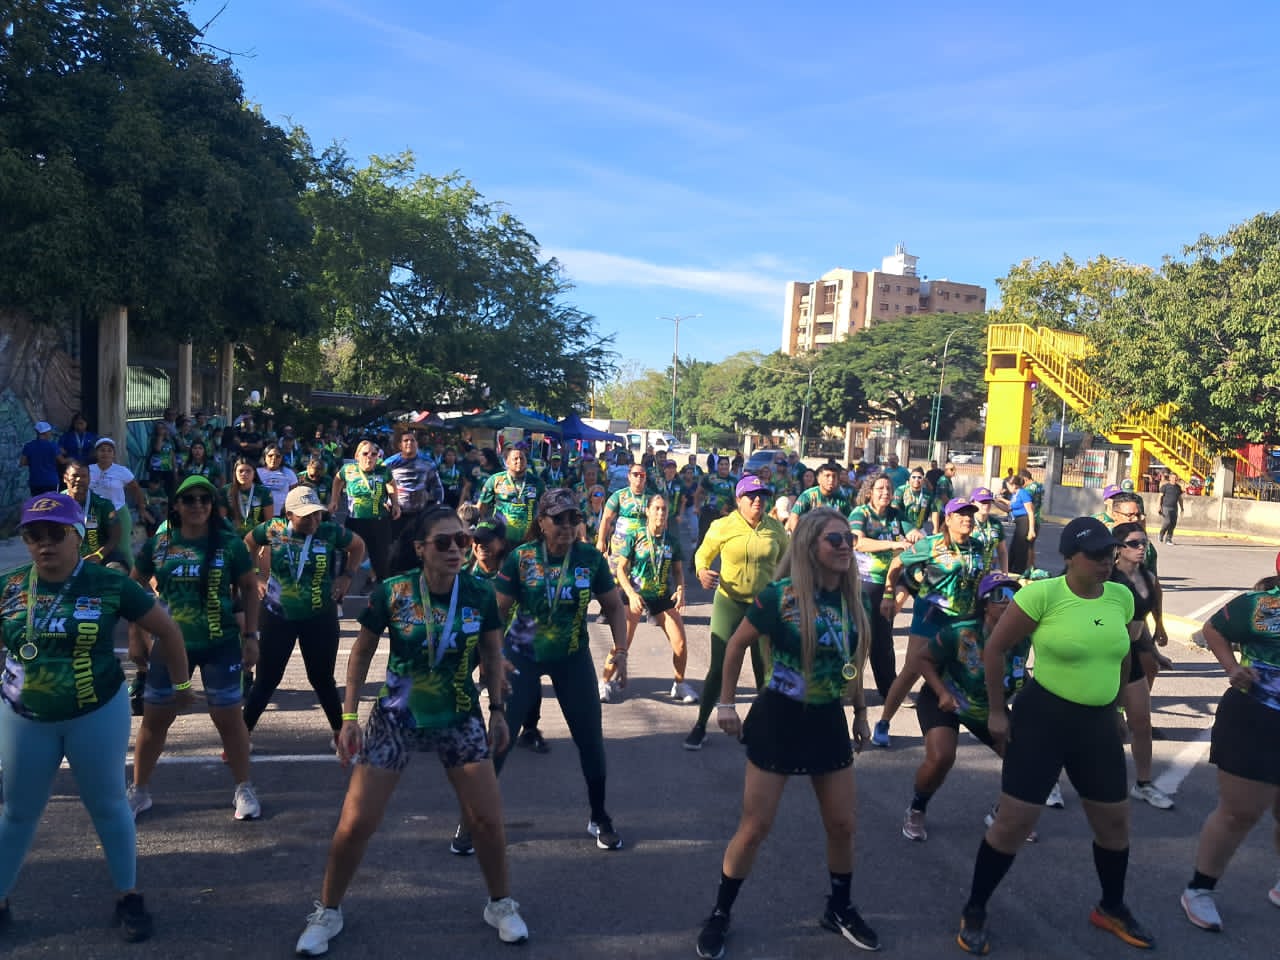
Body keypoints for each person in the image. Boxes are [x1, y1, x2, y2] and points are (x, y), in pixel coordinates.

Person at [294, 505, 528, 956]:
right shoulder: (394, 592)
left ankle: (500, 904)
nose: (457, 549)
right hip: (396, 718)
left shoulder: (479, 592)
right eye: (444, 542)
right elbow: (360, 654)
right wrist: (347, 718)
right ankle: (327, 910)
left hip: (459, 717)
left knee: (487, 821)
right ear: (420, 548)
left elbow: (493, 653)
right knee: (355, 823)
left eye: (462, 540)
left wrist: (497, 709)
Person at [955, 517, 1153, 955]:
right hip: (1043, 718)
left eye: (1110, 554)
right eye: (1096, 556)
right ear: (1069, 558)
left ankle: (1111, 906)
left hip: (1097, 723)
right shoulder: (1042, 595)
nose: (1106, 563)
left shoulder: (1119, 597)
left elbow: (1121, 655)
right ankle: (975, 907)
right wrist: (995, 712)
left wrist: (1118, 706)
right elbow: (995, 648)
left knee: (1114, 823)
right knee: (1013, 824)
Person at [0, 493, 192, 942]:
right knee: (18, 812)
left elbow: (167, 630)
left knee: (108, 806)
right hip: (24, 716)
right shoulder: (9, 587)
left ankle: (129, 897)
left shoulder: (110, 584)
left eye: (56, 534)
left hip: (95, 711)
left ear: (78, 536)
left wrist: (181, 688)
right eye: (34, 536)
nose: (44, 544)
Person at [694, 508, 877, 958]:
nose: (845, 546)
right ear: (810, 546)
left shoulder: (854, 600)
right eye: (834, 540)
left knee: (842, 824)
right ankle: (720, 912)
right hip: (780, 716)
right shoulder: (780, 596)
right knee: (755, 827)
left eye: (849, 539)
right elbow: (735, 645)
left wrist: (858, 711)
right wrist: (726, 704)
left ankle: (839, 907)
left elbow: (853, 663)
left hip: (827, 718)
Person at [465, 488, 628, 854]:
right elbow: (497, 613)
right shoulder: (521, 559)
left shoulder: (589, 558)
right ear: (541, 523)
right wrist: (492, 660)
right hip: (521, 653)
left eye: (574, 518)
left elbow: (614, 607)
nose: (568, 526)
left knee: (590, 739)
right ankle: (475, 818)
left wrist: (621, 650)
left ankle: (599, 816)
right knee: (501, 738)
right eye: (559, 519)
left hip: (571, 656)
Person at [128, 475, 263, 821]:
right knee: (156, 720)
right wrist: (136, 634)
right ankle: (139, 791)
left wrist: (251, 637)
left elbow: (249, 588)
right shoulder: (159, 545)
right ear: (176, 505)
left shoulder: (229, 544)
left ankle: (243, 788)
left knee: (230, 720)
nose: (198, 505)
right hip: (169, 647)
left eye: (205, 499)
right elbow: (132, 587)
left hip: (221, 644)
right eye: (190, 499)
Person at [1179, 564, 1280, 933]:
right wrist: (1231, 667)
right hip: (1257, 715)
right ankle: (1199, 890)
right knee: (1240, 812)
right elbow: (1213, 629)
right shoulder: (1263, 606)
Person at [901, 574, 1030, 842]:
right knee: (941, 757)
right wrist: (942, 692)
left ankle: (1001, 813)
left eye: (1013, 596)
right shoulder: (961, 630)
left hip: (987, 706)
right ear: (984, 604)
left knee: (1023, 760)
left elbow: (1019, 673)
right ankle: (917, 808)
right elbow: (922, 659)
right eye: (999, 596)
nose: (1008, 602)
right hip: (946, 699)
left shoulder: (1023, 635)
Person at [242, 486, 365, 745]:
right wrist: (256, 575)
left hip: (320, 614)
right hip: (277, 614)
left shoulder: (330, 532)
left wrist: (347, 576)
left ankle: (338, 734)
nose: (313, 521)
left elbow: (358, 546)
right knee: (267, 679)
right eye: (306, 516)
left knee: (322, 678)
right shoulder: (274, 529)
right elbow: (249, 542)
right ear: (289, 515)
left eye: (317, 515)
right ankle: (240, 736)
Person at [874, 498, 991, 748]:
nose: (967, 518)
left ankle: (967, 718)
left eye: (970, 513)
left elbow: (980, 580)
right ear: (947, 519)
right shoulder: (932, 544)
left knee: (965, 671)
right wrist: (887, 594)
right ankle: (883, 721)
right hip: (931, 614)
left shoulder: (979, 547)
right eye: (960, 514)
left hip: (963, 620)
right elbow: (896, 564)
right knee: (912, 671)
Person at [686, 475, 789, 750]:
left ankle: (765, 727)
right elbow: (702, 555)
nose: (758, 500)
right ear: (738, 499)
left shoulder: (775, 529)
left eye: (763, 496)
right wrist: (701, 572)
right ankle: (700, 725)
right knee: (718, 668)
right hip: (729, 602)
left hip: (763, 607)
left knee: (765, 669)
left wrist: (785, 594)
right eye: (752, 496)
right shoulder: (723, 525)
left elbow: (787, 564)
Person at [606, 493, 697, 705]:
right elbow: (620, 569)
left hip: (661, 597)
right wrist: (630, 593)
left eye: (664, 509)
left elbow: (677, 571)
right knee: (622, 643)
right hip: (635, 595)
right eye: (656, 508)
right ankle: (605, 682)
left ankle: (680, 684)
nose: (661, 513)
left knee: (680, 644)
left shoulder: (671, 541)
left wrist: (681, 589)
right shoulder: (635, 536)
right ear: (647, 511)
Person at [1110, 522, 1174, 810]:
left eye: (1144, 543)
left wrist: (1152, 651)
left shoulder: (1147, 578)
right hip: (1103, 654)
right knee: (1079, 723)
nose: (1141, 548)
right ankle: (1049, 784)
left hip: (1131, 653)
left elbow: (1138, 623)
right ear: (1118, 549)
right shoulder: (1107, 578)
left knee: (1142, 722)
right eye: (1134, 543)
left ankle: (1144, 784)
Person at [849, 473, 923, 699]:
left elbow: (913, 532)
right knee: (856, 638)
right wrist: (893, 543)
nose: (885, 492)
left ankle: (890, 690)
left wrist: (917, 536)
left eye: (889, 489)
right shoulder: (860, 513)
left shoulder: (895, 514)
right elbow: (858, 542)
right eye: (880, 488)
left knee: (883, 640)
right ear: (869, 491)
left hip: (888, 583)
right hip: (863, 583)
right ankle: (847, 687)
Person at [330, 439, 399, 583]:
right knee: (346, 561)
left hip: (379, 523)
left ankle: (381, 596)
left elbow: (391, 484)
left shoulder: (383, 470)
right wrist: (334, 500)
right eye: (365, 453)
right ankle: (340, 596)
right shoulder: (348, 469)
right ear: (357, 456)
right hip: (355, 522)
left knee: (382, 563)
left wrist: (395, 503)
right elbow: (337, 480)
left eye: (374, 454)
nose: (370, 457)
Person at [89, 438, 147, 569]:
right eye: (102, 450)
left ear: (114, 454)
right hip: (93, 513)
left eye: (109, 450)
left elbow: (136, 489)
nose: (105, 453)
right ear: (96, 453)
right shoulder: (88, 470)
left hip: (118, 511)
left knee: (123, 548)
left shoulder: (122, 471)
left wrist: (142, 508)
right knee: (93, 546)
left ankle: (134, 578)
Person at [596, 460, 651, 587]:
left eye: (642, 475)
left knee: (638, 581)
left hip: (642, 546)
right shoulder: (619, 495)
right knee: (616, 581)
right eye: (635, 474)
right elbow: (606, 519)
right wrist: (601, 541)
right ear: (629, 476)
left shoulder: (651, 497)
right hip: (620, 545)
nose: (639, 477)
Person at [63, 462, 126, 571]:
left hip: (99, 556)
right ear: (65, 478)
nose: (79, 480)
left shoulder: (103, 504)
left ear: (89, 479)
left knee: (118, 569)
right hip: (64, 557)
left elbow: (115, 536)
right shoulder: (55, 504)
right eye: (75, 476)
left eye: (83, 476)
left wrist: (99, 555)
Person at [384, 429, 444, 542]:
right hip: (395, 513)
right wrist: (382, 502)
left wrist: (437, 506)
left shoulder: (428, 463)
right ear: (400, 445)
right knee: (395, 547)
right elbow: (378, 485)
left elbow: (437, 487)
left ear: (417, 443)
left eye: (412, 440)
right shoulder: (389, 463)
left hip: (419, 513)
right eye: (405, 440)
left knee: (418, 546)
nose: (409, 443)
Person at [478, 445, 543, 545]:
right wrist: (484, 531)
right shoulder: (495, 480)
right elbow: (482, 508)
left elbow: (545, 508)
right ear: (507, 462)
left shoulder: (537, 482)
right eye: (515, 459)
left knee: (525, 561)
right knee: (501, 561)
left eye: (522, 458)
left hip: (528, 540)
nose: (519, 461)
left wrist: (538, 531)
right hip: (500, 539)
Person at [786, 462, 851, 532]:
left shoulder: (841, 499)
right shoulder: (808, 495)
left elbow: (849, 522)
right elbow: (794, 517)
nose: (831, 480)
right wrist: (799, 538)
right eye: (827, 476)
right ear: (818, 479)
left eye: (834, 476)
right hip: (809, 534)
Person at [221, 456, 275, 539]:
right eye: (240, 471)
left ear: (254, 473)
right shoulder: (225, 491)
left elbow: (269, 522)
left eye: (248, 471)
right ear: (235, 473)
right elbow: (222, 520)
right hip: (232, 537)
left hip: (256, 538)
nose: (244, 474)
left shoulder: (264, 492)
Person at [696, 456, 737, 549]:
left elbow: (737, 497)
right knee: (703, 541)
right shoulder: (710, 478)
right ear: (718, 466)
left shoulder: (734, 480)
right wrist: (697, 507)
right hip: (709, 513)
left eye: (726, 464)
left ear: (729, 466)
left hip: (725, 515)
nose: (724, 467)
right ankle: (696, 563)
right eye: (721, 464)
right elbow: (698, 493)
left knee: (726, 543)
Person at [1000, 474, 1036, 575]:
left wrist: (1031, 530)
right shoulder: (1014, 495)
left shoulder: (1023, 493)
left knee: (1021, 547)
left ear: (1013, 485)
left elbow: (1030, 511)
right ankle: (1010, 569)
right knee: (1014, 547)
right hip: (1019, 522)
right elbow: (1008, 509)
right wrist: (994, 502)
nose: (1007, 488)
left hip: (1025, 521)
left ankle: (1019, 571)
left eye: (1008, 486)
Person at [255, 443, 299, 517]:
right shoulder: (256, 472)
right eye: (270, 455)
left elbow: (294, 495)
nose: (274, 458)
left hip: (282, 515)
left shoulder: (289, 473)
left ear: (282, 458)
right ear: (264, 457)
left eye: (278, 456)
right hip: (259, 516)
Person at [20, 421, 60, 497]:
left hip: (35, 482)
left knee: (37, 505)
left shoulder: (29, 446)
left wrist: (34, 461)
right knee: (52, 504)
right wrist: (70, 459)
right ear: (45, 433)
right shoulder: (52, 446)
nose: (51, 433)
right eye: (49, 431)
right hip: (51, 481)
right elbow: (61, 460)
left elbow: (22, 462)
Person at [893, 467, 935, 533]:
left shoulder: (928, 494)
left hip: (921, 531)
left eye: (919, 477)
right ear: (909, 479)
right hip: (903, 531)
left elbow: (934, 514)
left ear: (923, 480)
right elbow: (893, 513)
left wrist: (931, 534)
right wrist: (896, 535)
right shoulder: (900, 491)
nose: (916, 480)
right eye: (914, 477)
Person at [1157, 472, 1184, 544]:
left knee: (1173, 524)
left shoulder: (1178, 487)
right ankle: (1161, 534)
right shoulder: (1165, 486)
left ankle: (1168, 539)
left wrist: (1182, 508)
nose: (1174, 479)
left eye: (1175, 478)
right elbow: (1160, 497)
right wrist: (1159, 506)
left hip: (1174, 508)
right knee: (1167, 522)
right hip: (1165, 507)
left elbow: (1180, 498)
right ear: (1169, 478)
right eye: (1172, 478)